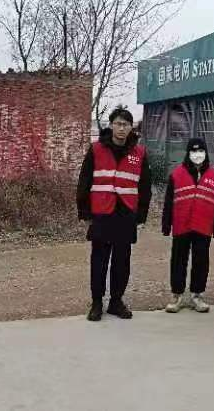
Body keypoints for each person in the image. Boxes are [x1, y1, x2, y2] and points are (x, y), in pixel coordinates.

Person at [76, 107, 152, 322]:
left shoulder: (139, 153)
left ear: (131, 128)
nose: (121, 128)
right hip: (102, 213)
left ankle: (116, 302)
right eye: (118, 123)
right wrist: (84, 212)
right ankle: (97, 303)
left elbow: (145, 187)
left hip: (126, 214)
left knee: (122, 261)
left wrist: (141, 216)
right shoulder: (96, 149)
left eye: (125, 124)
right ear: (111, 125)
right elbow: (84, 181)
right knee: (99, 260)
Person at [162, 138, 214, 313]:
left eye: (201, 151)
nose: (197, 155)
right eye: (194, 151)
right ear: (188, 153)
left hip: (203, 226)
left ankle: (197, 295)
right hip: (181, 225)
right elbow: (168, 202)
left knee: (201, 261)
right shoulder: (177, 174)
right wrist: (166, 225)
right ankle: (177, 295)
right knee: (178, 260)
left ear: (206, 153)